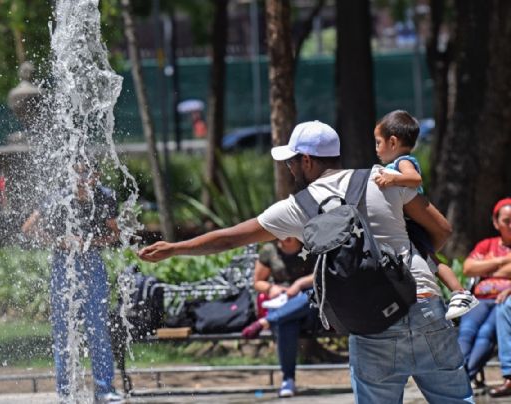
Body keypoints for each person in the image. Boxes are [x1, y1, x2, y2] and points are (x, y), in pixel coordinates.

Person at [139, 120, 473, 403]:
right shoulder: (381, 178)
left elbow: (230, 237)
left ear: (308, 161)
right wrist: (414, 256)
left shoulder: (299, 206)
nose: (289, 168)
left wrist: (175, 248)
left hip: (372, 325)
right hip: (424, 305)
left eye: (292, 161)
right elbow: (441, 230)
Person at [22, 162, 124, 404]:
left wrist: (91, 242)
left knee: (97, 327)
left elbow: (115, 234)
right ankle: (66, 392)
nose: (81, 177)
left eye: (87, 172)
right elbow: (28, 227)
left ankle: (104, 389)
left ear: (96, 175)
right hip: (63, 264)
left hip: (92, 262)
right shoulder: (58, 196)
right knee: (64, 330)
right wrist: (59, 241)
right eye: (77, 172)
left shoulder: (105, 197)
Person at [373, 109, 478, 320]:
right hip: (409, 224)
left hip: (414, 223)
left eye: (378, 142)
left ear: (392, 142)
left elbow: (415, 179)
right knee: (427, 261)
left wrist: (394, 179)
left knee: (432, 261)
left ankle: (460, 293)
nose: (376, 148)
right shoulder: (398, 163)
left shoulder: (403, 162)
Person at [241, 238, 315, 397]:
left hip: (309, 305)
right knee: (287, 322)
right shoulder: (269, 250)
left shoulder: (309, 245)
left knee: (311, 296)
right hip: (283, 304)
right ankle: (288, 380)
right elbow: (258, 282)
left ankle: (266, 321)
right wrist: (271, 288)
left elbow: (322, 274)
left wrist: (300, 284)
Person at [458, 198, 511, 396]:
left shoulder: (486, 252)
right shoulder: (486, 244)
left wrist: (489, 266)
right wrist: (504, 260)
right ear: (496, 223)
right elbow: (468, 268)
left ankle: (464, 379)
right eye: (506, 221)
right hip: (481, 298)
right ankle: (457, 377)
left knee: (486, 334)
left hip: (503, 299)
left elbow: (479, 268)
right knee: (467, 331)